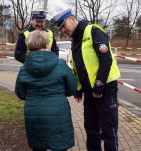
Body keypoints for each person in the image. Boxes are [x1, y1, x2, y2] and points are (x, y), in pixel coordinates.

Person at [51, 9, 121, 151]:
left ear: (72, 19)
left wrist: (98, 87)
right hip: (90, 93)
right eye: (61, 28)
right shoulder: (75, 40)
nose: (63, 30)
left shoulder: (93, 31)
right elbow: (79, 68)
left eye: (64, 26)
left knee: (109, 131)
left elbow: (106, 60)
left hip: (105, 90)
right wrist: (78, 89)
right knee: (91, 130)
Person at [15, 30, 77, 151]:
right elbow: (72, 89)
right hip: (58, 113)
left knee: (38, 147)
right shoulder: (61, 64)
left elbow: (20, 93)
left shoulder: (24, 68)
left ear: (29, 45)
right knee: (59, 145)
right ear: (47, 44)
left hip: (34, 114)